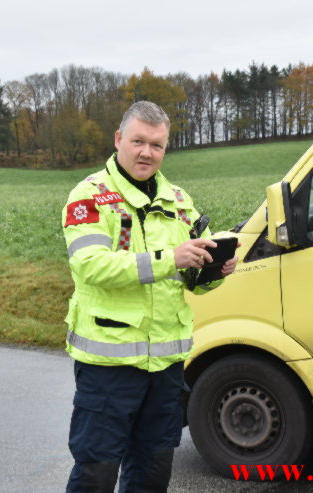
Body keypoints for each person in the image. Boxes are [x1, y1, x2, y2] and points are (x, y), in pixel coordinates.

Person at [61, 101, 238, 492]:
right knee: (96, 473)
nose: (146, 152)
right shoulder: (89, 196)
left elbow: (189, 280)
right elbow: (91, 265)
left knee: (153, 472)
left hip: (166, 368)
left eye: (156, 145)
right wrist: (168, 258)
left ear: (165, 147)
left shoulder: (178, 200)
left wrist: (214, 273)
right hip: (108, 366)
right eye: (138, 141)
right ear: (119, 139)